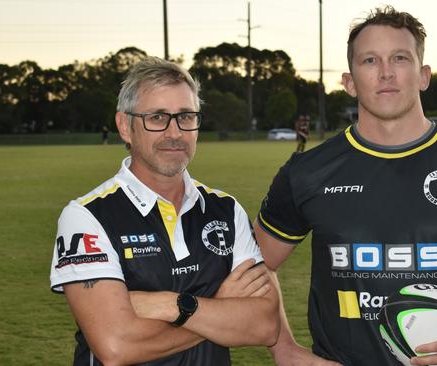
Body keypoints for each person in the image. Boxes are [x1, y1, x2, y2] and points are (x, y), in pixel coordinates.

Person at [254, 6, 437, 366]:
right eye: (370, 60)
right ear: (349, 81)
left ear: (423, 76)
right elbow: (255, 267)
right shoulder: (307, 173)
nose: (386, 72)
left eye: (399, 58)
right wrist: (284, 349)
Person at [49, 57, 279, 366]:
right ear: (125, 126)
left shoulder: (226, 210)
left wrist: (174, 305)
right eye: (157, 117)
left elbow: (264, 324)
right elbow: (116, 346)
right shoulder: (86, 217)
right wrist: (219, 307)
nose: (175, 132)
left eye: (186, 116)